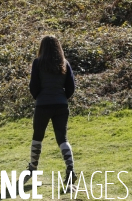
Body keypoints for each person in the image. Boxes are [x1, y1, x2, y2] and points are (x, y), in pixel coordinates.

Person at [24, 35, 77, 187]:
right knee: (62, 138)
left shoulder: (37, 63)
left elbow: (33, 86)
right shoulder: (64, 63)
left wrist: (39, 97)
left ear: (42, 48)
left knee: (37, 136)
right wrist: (62, 98)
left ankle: (33, 167)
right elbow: (71, 87)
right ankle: (70, 169)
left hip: (43, 105)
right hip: (61, 105)